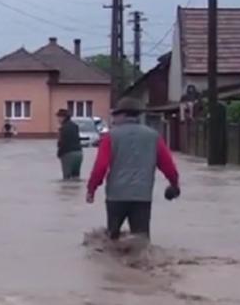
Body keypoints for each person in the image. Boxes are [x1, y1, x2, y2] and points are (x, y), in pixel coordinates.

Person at [86, 97, 180, 241]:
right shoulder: (153, 136)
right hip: (142, 196)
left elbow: (100, 167)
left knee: (112, 240)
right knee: (141, 241)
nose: (113, 119)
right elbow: (168, 166)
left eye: (115, 115)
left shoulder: (110, 137)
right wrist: (174, 184)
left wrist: (91, 189)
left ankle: (111, 264)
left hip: (116, 196)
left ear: (123, 115)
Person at [56, 108, 83, 180]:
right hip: (79, 153)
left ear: (63, 117)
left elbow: (62, 142)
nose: (58, 119)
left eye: (58, 117)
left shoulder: (63, 128)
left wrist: (59, 153)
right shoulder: (75, 126)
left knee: (67, 179)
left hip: (68, 154)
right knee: (76, 177)